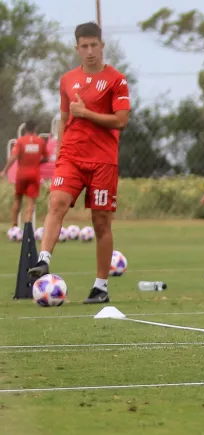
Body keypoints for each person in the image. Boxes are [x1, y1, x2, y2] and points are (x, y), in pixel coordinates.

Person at [27, 22, 131, 305]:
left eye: (93, 45)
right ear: (77, 48)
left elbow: (121, 121)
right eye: (83, 46)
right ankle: (44, 259)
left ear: (102, 45)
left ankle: (100, 287)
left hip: (102, 161)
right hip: (71, 156)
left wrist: (86, 113)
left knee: (101, 222)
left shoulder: (116, 80)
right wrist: (61, 151)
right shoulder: (67, 80)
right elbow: (64, 118)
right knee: (56, 203)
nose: (89, 52)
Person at [1, 120, 48, 230]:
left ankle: (14, 227)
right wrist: (37, 162)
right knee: (30, 203)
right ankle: (27, 229)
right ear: (35, 129)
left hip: (21, 173)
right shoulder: (40, 141)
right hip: (34, 174)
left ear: (25, 129)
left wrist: (5, 170)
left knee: (18, 199)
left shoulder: (20, 141)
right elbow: (46, 158)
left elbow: (13, 157)